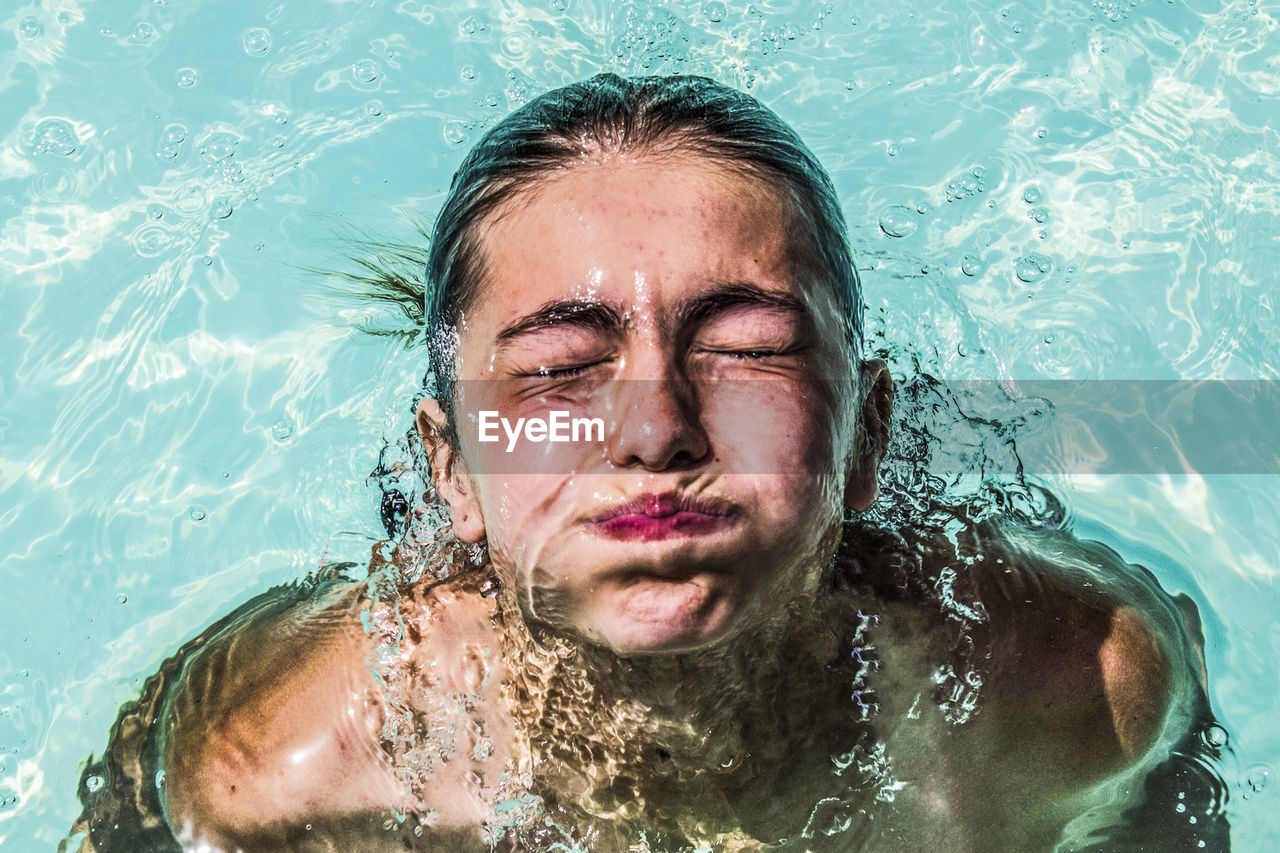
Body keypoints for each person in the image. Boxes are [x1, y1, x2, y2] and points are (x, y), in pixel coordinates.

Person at [69, 74, 1226, 853]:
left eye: (745, 350)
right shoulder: (282, 763)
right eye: (562, 367)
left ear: (866, 434)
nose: (652, 428)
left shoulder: (1077, 692)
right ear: (452, 470)